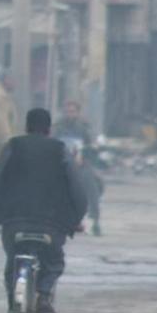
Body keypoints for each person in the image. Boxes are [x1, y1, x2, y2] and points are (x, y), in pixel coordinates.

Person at [0, 107, 90, 313]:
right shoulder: (60, 150)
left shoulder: (13, 146)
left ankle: (13, 309)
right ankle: (43, 296)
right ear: (48, 129)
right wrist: (76, 218)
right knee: (53, 262)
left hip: (15, 222)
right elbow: (78, 190)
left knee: (12, 263)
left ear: (26, 127)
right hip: (51, 225)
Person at [51, 98, 102, 235]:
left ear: (78, 113)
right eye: (67, 111)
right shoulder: (57, 127)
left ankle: (95, 221)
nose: (70, 114)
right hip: (61, 166)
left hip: (81, 165)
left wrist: (83, 155)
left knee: (93, 186)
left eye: (72, 111)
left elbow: (92, 147)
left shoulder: (84, 128)